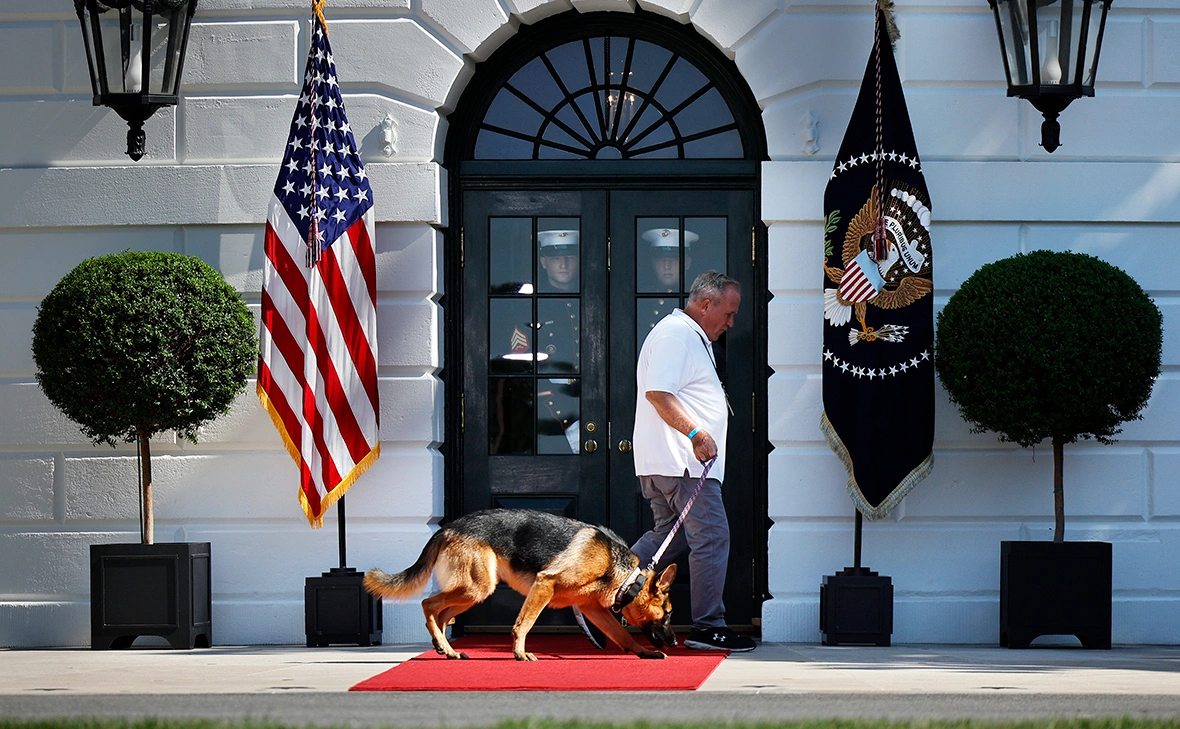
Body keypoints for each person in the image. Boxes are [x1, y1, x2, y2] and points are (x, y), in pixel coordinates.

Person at [630, 270, 755, 652]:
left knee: (672, 536)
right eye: (728, 313)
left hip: (672, 462)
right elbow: (659, 394)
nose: (731, 323)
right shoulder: (677, 335)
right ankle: (708, 627)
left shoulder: (687, 335)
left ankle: (600, 590)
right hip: (682, 463)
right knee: (712, 537)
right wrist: (697, 434)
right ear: (706, 305)